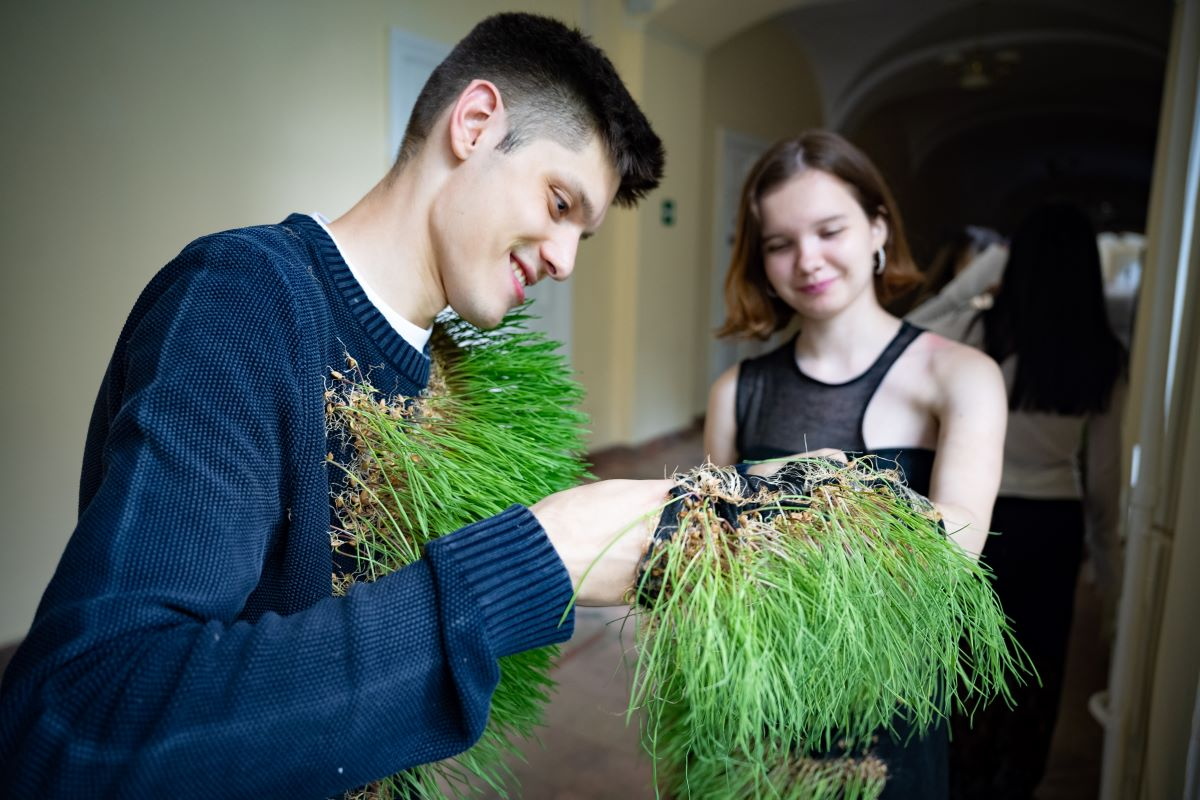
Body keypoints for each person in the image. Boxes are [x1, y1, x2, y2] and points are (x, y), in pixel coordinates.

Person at [0, 13, 671, 799]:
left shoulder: (448, 374)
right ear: (477, 123)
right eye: (561, 204)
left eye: (582, 237)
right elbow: (81, 716)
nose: (563, 261)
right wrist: (536, 559)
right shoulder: (242, 300)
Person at [704, 130, 1008, 798]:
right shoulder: (736, 393)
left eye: (829, 230)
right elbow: (712, 558)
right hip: (757, 706)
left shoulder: (961, 376)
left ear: (877, 229)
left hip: (892, 713)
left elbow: (954, 549)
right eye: (779, 244)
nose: (806, 259)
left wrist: (819, 480)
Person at [945, 202, 1127, 800]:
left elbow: (914, 324)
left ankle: (961, 777)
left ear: (1014, 262)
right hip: (1054, 528)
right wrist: (1110, 581)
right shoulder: (1103, 359)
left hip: (976, 516)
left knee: (965, 664)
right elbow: (1103, 482)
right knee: (1034, 668)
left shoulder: (979, 335)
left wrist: (976, 279)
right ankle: (1014, 781)